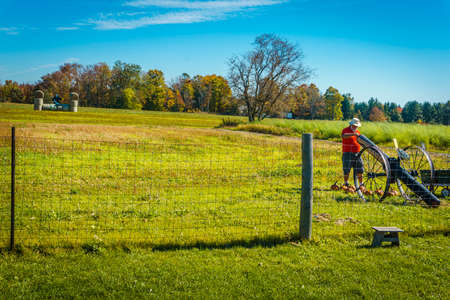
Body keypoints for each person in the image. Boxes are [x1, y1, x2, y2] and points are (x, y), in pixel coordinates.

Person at [341, 118, 364, 188]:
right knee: (346, 169)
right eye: (354, 125)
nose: (355, 127)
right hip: (347, 153)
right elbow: (344, 135)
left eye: (356, 126)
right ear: (351, 125)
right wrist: (353, 134)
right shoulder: (345, 130)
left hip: (357, 153)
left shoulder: (358, 132)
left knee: (360, 168)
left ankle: (361, 184)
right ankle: (346, 183)